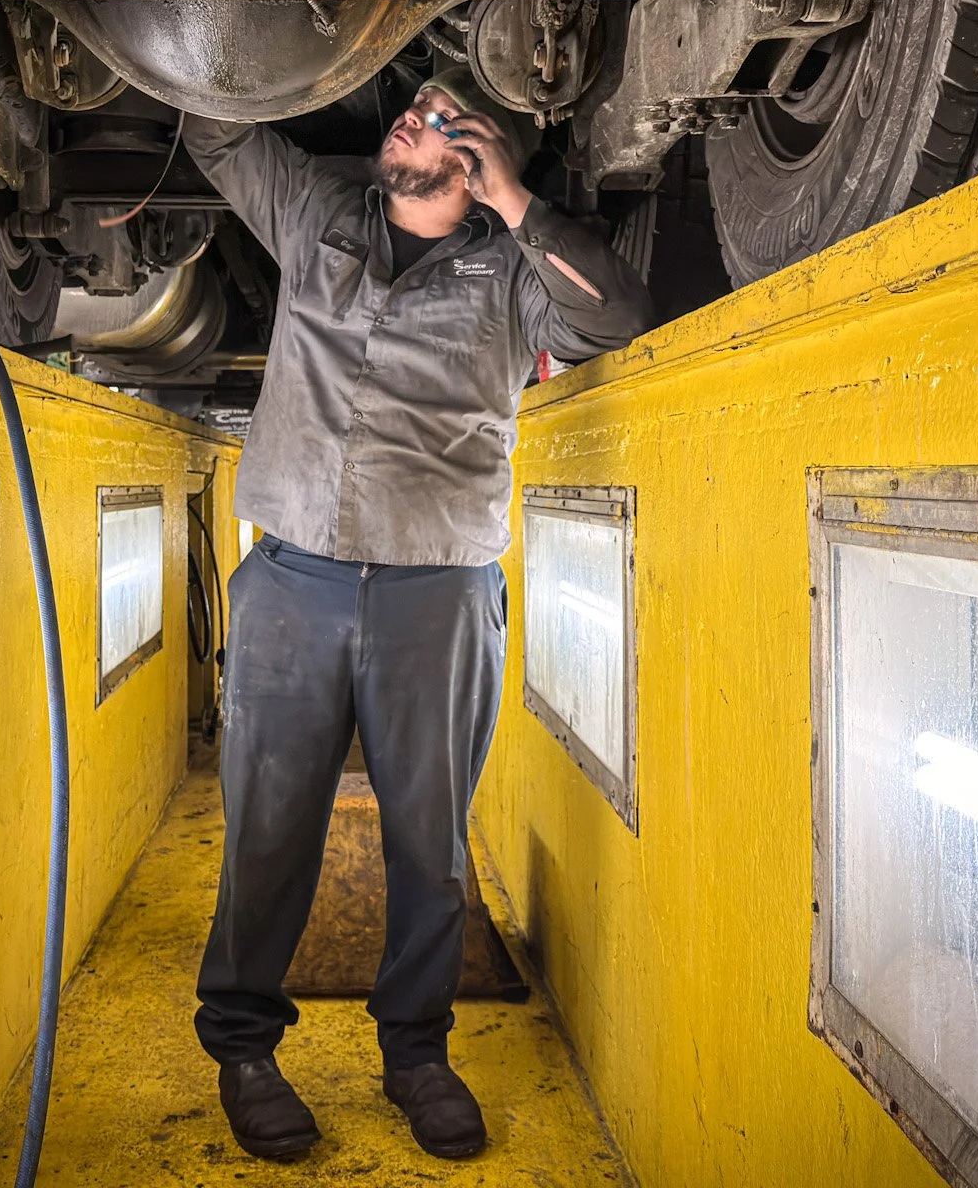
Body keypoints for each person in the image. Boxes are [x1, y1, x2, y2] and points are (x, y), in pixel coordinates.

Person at [183, 69, 654, 1162]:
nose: (411, 119)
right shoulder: (314, 215)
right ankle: (245, 1052)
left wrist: (519, 201)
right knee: (264, 834)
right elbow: (213, 125)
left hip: (435, 595)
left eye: (444, 120)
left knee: (427, 846)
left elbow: (618, 316)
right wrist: (320, 44)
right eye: (410, 109)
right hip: (289, 582)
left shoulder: (510, 270)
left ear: (481, 158)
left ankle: (416, 1055)